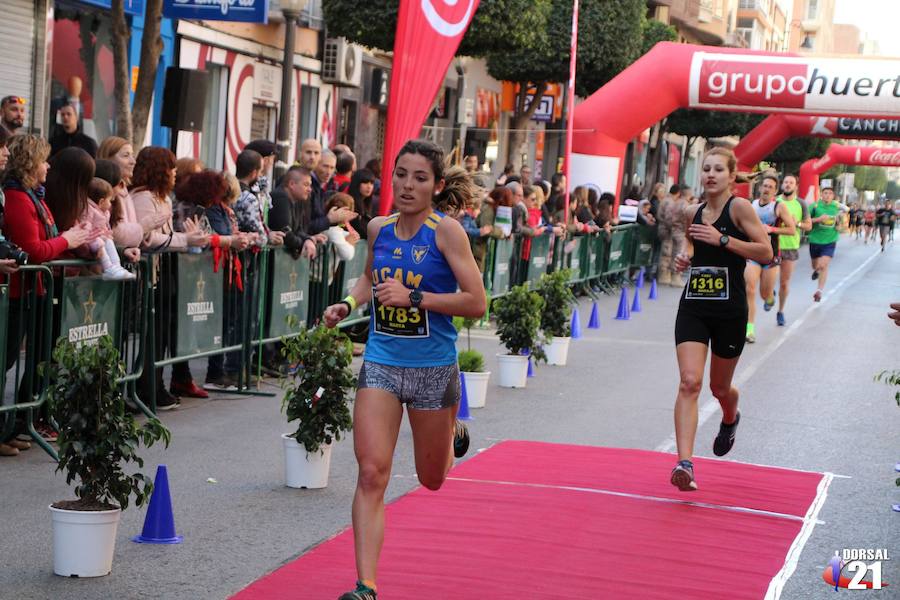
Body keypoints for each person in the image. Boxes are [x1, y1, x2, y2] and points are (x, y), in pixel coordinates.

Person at [323, 139, 485, 600]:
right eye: (401, 174)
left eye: (419, 178)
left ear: (436, 186)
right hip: (383, 362)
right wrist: (348, 302)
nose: (408, 185)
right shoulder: (378, 228)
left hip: (433, 367)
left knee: (432, 478)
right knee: (372, 472)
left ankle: (452, 431)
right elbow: (369, 277)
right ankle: (366, 586)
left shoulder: (446, 232)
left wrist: (416, 298)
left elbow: (476, 302)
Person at [670, 147, 772, 492]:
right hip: (695, 305)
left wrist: (724, 239)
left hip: (730, 310)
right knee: (689, 382)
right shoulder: (692, 212)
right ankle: (685, 463)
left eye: (718, 170)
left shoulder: (739, 208)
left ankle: (730, 416)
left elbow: (766, 252)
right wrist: (686, 258)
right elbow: (691, 243)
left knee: (718, 388)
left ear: (731, 176)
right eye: (706, 169)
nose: (711, 175)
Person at [2, 134, 96, 449]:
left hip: (32, 290)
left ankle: (13, 426)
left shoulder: (34, 196)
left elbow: (46, 242)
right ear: (31, 164)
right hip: (17, 292)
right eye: (43, 160)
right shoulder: (18, 198)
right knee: (5, 362)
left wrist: (70, 242)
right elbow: (33, 249)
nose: (48, 166)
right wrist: (67, 241)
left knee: (16, 360)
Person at [132, 146, 209, 408]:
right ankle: (146, 387)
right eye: (170, 167)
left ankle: (154, 385)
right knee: (154, 333)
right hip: (151, 271)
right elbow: (146, 239)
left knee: (162, 333)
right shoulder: (143, 198)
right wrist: (184, 240)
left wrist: (188, 238)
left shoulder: (163, 197)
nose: (174, 173)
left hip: (164, 269)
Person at [743, 174, 795, 343]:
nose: (766, 189)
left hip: (771, 255)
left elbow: (792, 230)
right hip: (753, 253)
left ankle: (770, 297)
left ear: (775, 191)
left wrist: (772, 230)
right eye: (764, 186)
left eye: (770, 187)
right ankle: (749, 329)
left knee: (764, 294)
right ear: (760, 187)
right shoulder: (752, 205)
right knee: (749, 288)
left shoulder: (778, 207)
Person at [83, 178, 137, 280]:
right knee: (100, 243)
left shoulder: (103, 212)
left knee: (109, 241)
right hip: (91, 238)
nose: (111, 204)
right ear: (101, 201)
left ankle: (116, 266)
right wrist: (93, 235)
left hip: (98, 235)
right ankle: (108, 267)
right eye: (109, 200)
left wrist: (105, 234)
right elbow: (86, 225)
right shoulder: (89, 210)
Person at [774, 174, 810, 327]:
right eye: (786, 182)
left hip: (791, 247)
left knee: (784, 283)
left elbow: (808, 226)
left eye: (791, 183)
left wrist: (798, 224)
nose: (787, 185)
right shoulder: (775, 201)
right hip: (774, 245)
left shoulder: (800, 203)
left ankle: (780, 311)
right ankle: (769, 294)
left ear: (796, 186)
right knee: (768, 281)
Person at [268, 167, 319, 259]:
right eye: (306, 185)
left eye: (310, 185)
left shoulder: (296, 199)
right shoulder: (280, 197)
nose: (309, 189)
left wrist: (308, 239)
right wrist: (303, 243)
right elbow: (286, 233)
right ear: (291, 184)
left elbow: (298, 229)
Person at [807, 186, 847, 301]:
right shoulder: (814, 206)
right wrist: (818, 219)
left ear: (833, 196)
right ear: (821, 194)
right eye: (825, 193)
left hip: (830, 240)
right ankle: (816, 270)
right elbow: (807, 221)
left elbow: (846, 214)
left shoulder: (836, 207)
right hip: (815, 239)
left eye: (830, 193)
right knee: (815, 265)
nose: (828, 195)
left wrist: (841, 224)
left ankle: (819, 292)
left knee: (823, 265)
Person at [658, 184, 690, 287]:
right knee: (672, 253)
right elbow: (669, 217)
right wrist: (672, 226)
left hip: (670, 230)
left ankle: (666, 276)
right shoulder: (677, 203)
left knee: (668, 252)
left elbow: (661, 215)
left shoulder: (669, 201)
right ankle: (671, 276)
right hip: (674, 231)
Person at [348, 169, 377, 238]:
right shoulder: (350, 203)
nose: (369, 186)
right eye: (365, 183)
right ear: (357, 183)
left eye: (371, 183)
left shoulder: (369, 204)